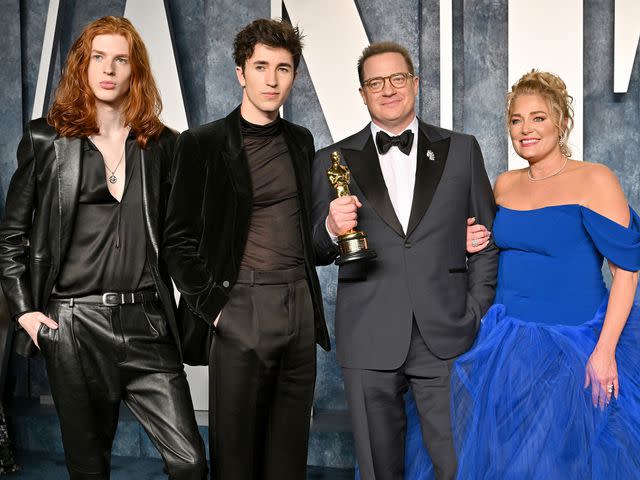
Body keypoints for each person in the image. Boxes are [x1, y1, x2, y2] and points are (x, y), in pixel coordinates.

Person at [0, 16, 206, 479]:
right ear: (82, 66)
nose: (108, 69)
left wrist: (207, 301)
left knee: (190, 462)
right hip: (73, 323)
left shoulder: (163, 145)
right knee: (89, 467)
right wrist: (25, 312)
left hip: (147, 321)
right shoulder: (47, 139)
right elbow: (12, 234)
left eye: (120, 59)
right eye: (98, 58)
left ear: (135, 71)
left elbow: (178, 236)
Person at [411, 69, 640, 478]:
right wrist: (470, 240)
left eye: (538, 118)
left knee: (554, 461)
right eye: (516, 120)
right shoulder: (504, 184)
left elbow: (627, 271)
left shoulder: (595, 179)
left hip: (574, 345)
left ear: (562, 122)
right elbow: (492, 250)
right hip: (505, 342)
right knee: (494, 457)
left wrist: (604, 352)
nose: (525, 129)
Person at [312, 41, 499, 480]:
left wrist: (475, 313)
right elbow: (314, 250)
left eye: (397, 78)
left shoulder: (462, 149)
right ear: (362, 93)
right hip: (369, 336)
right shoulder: (332, 159)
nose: (388, 89)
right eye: (375, 82)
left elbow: (487, 241)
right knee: (379, 470)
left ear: (415, 83)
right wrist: (331, 230)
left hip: (448, 333)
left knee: (459, 465)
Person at [163, 18, 330, 479]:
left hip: (298, 305)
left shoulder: (302, 141)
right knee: (235, 458)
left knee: (289, 454)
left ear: (294, 75)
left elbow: (303, 234)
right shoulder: (202, 144)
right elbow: (177, 239)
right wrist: (216, 310)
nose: (272, 80)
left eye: (283, 68)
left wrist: (332, 232)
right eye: (261, 66)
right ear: (241, 72)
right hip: (240, 307)